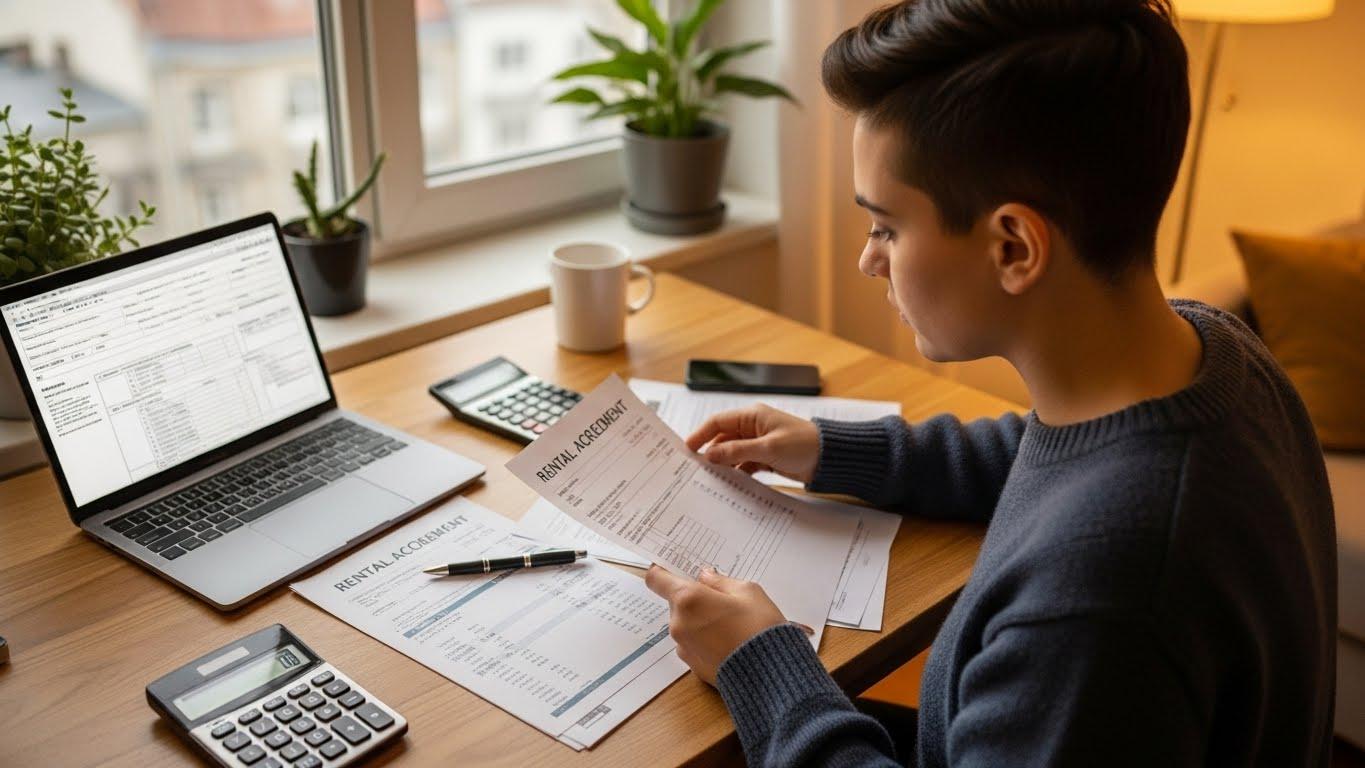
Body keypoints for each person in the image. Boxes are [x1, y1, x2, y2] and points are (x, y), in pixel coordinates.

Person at [642, 1, 1338, 765]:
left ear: (1013, 248)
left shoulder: (1098, 603)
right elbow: (1060, 458)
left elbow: (1097, 511)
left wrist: (762, 668)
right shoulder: (1217, 353)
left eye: (886, 227)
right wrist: (830, 449)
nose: (868, 260)